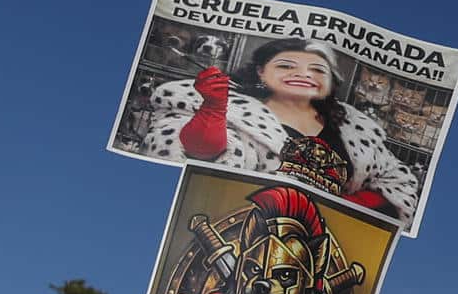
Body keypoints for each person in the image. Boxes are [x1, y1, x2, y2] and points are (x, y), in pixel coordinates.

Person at [141, 38, 421, 229]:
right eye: (286, 65)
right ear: (261, 72)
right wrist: (213, 110)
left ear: (332, 82)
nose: (303, 74)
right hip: (239, 232)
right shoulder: (232, 107)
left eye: (317, 69)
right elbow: (189, 152)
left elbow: (397, 183)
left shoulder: (356, 129)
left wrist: (344, 209)